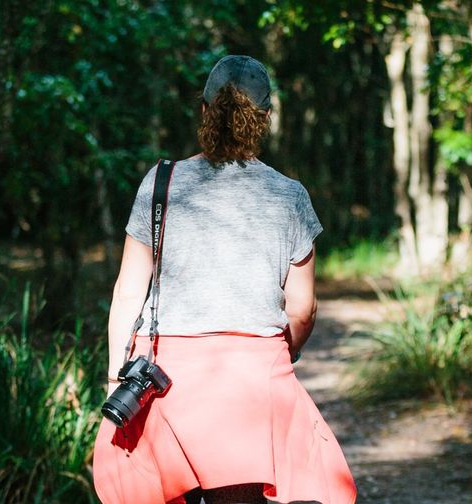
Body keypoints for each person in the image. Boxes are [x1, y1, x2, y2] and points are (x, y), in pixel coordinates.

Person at [91, 55, 357, 504]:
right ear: (266, 118)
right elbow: (303, 309)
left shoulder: (161, 184)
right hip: (252, 382)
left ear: (204, 111)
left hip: (166, 382)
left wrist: (116, 376)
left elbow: (128, 291)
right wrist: (279, 353)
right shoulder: (289, 195)